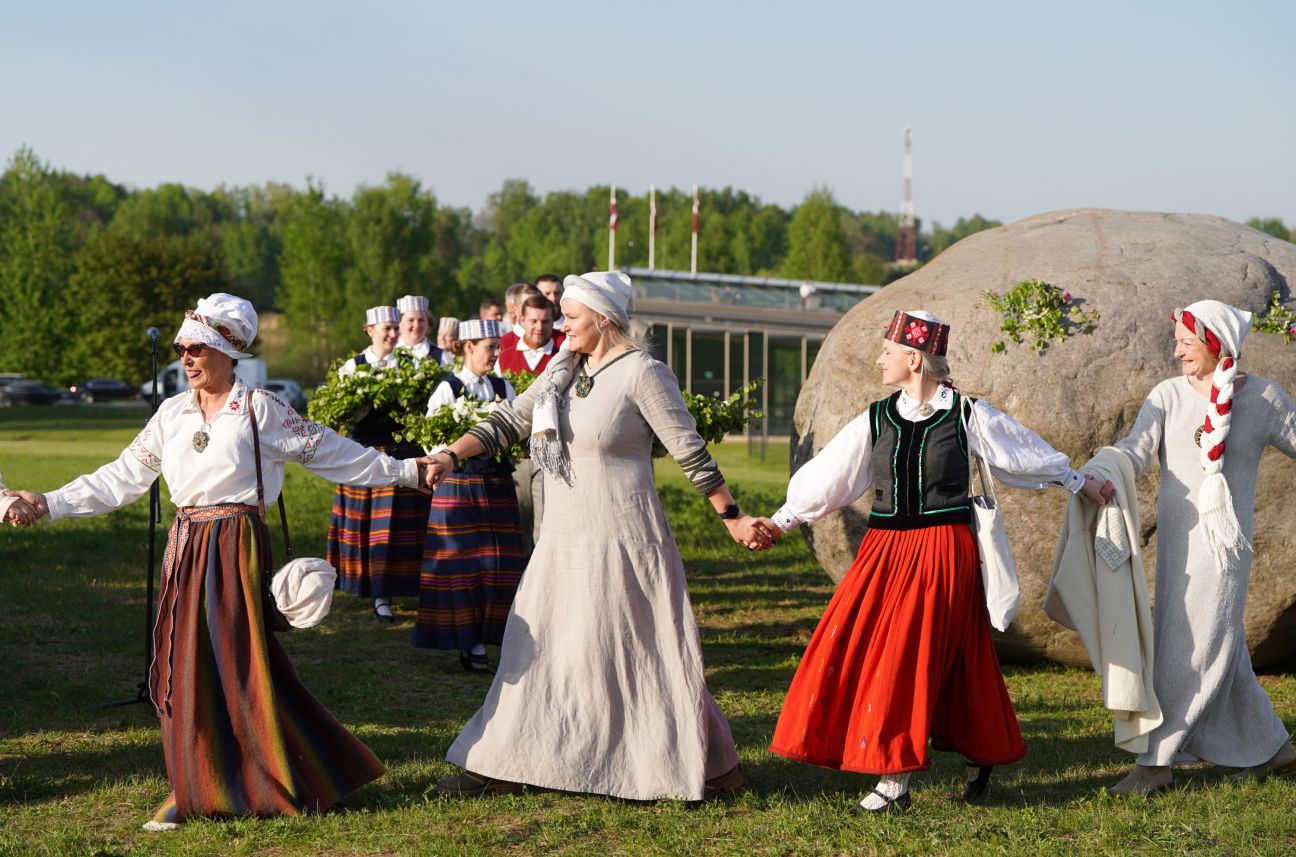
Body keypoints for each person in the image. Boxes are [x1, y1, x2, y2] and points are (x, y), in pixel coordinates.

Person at [5, 293, 436, 830]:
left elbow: (336, 454)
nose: (187, 358)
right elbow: (120, 478)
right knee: (184, 670)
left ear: (229, 351)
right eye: (183, 347)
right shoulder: (172, 413)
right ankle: (191, 788)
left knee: (240, 668)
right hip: (186, 547)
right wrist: (49, 502)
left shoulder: (260, 409)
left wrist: (410, 473)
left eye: (198, 348)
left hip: (237, 547)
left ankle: (280, 777)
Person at [425, 270, 770, 801]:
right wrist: (451, 454)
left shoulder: (643, 373)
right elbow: (509, 419)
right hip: (563, 539)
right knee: (537, 651)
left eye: (571, 317)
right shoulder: (562, 372)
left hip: (624, 537)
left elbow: (689, 450)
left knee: (643, 652)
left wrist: (733, 518)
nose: (561, 327)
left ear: (604, 319)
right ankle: (493, 762)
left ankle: (709, 768)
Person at [751, 310, 1109, 814]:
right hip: (884, 549)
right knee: (919, 649)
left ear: (914, 359)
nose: (880, 359)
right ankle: (980, 749)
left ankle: (893, 779)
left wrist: (1078, 481)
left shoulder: (966, 415)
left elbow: (1022, 454)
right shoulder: (876, 418)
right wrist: (780, 521)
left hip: (943, 548)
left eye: (888, 351)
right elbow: (831, 477)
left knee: (902, 655)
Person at [1080, 300, 1296, 796]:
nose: (1175, 350)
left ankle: (1156, 762)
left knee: (1191, 648)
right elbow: (1136, 449)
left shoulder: (1263, 398)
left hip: (1225, 550)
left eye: (1185, 341)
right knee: (1219, 646)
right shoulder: (1168, 396)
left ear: (1215, 342)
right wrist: (1098, 473)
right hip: (1180, 550)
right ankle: (1276, 751)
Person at [413, 319, 523, 673]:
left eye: (497, 347)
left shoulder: (502, 385)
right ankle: (469, 641)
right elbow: (432, 443)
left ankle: (498, 637)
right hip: (459, 485)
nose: (496, 354)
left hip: (496, 483)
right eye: (490, 347)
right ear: (468, 347)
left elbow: (519, 432)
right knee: (463, 566)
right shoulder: (448, 388)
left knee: (499, 563)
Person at [328, 305, 433, 623]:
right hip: (367, 456)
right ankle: (379, 593)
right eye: (384, 328)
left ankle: (411, 587)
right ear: (369, 330)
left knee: (406, 528)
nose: (391, 333)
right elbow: (340, 418)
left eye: (393, 328)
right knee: (375, 529)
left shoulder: (410, 365)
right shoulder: (353, 367)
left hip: (404, 453)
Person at [495, 293, 566, 551]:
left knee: (545, 524)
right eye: (534, 321)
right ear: (521, 320)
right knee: (518, 520)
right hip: (517, 454)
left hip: (552, 453)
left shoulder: (564, 355)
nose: (539, 327)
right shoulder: (504, 357)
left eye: (546, 321)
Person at [395, 294, 445, 365]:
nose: (417, 325)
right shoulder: (388, 354)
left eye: (421, 320)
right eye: (411, 320)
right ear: (399, 322)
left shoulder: (441, 356)